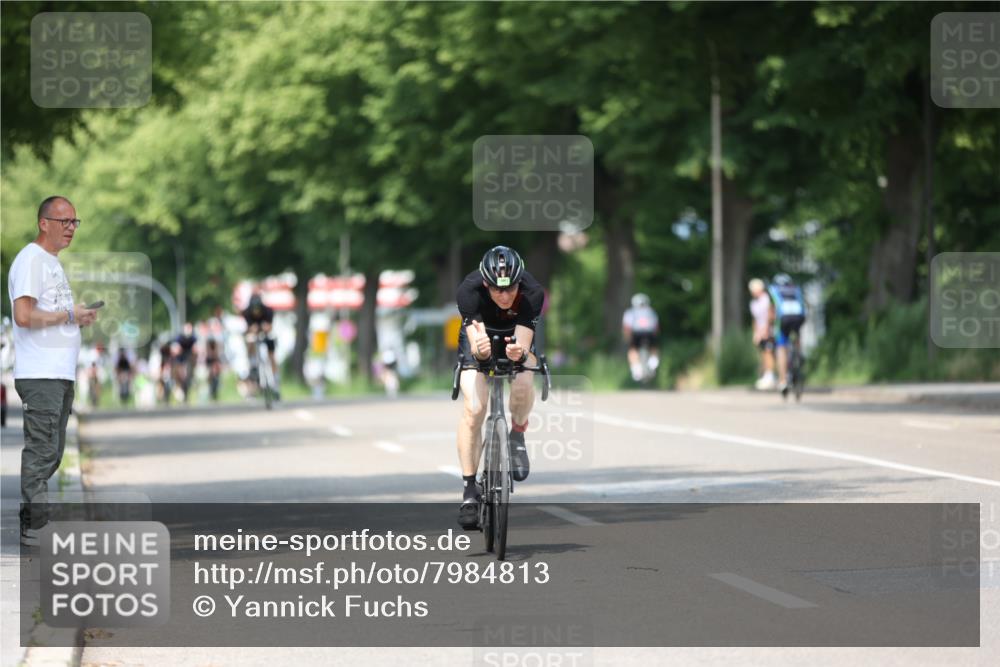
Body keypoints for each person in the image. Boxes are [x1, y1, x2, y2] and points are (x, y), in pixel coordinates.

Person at [8, 196, 97, 546]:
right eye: (64, 221)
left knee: (54, 451)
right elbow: (25, 316)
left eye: (75, 222)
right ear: (44, 222)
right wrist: (69, 316)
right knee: (42, 450)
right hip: (40, 374)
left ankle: (33, 519)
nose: (71, 228)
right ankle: (36, 525)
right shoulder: (31, 261)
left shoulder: (51, 263)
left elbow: (54, 314)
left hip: (58, 373)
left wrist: (78, 317)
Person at [455, 246, 544, 529]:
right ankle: (470, 491)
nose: (504, 296)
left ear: (520, 282)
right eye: (496, 290)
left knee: (523, 380)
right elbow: (479, 350)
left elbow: (525, 349)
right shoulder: (468, 291)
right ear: (485, 284)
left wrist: (519, 354)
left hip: (514, 336)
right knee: (474, 408)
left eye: (511, 289)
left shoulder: (532, 293)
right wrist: (481, 352)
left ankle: (517, 435)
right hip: (480, 337)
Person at [768, 273, 807, 393]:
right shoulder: (796, 289)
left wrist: (770, 325)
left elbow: (772, 312)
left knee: (781, 347)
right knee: (797, 334)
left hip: (783, 318)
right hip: (798, 317)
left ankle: (783, 381)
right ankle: (799, 353)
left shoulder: (773, 289)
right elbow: (804, 305)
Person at [242, 292, 279, 398]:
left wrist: (264, 327)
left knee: (271, 355)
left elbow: (269, 327)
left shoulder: (268, 311)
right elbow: (248, 329)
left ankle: (275, 380)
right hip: (254, 336)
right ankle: (253, 362)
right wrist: (252, 329)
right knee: (250, 340)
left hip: (266, 335)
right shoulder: (247, 313)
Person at [622, 293, 660, 382]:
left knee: (632, 350)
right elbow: (656, 327)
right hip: (650, 334)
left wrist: (627, 337)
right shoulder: (651, 311)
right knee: (654, 348)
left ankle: (636, 370)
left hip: (637, 334)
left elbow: (627, 327)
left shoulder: (631, 312)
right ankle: (653, 363)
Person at [748, 278, 776, 390]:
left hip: (769, 330)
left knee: (769, 351)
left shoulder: (766, 299)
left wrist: (766, 329)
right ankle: (767, 375)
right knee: (764, 352)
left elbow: (770, 315)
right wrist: (756, 333)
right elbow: (755, 319)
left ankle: (770, 376)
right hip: (760, 331)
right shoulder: (754, 303)